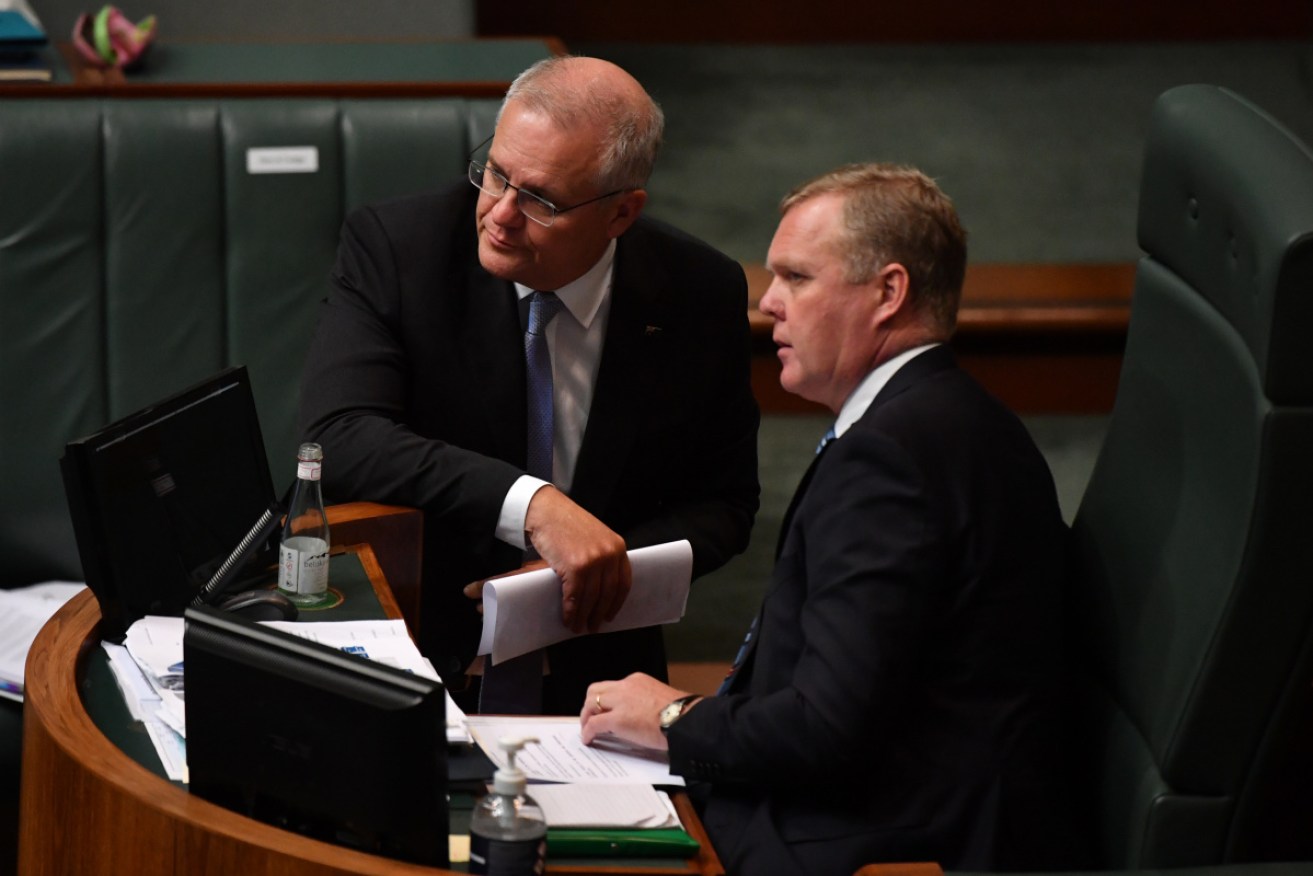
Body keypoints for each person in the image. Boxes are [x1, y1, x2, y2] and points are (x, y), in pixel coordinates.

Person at [580, 164, 1080, 873]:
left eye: (796, 278)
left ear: (888, 292)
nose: (767, 304)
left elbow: (825, 731)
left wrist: (672, 720)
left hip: (890, 839)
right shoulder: (957, 416)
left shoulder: (889, 461)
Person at [298, 56, 760, 716]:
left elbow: (725, 503)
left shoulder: (696, 292)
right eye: (496, 174)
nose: (500, 214)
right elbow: (337, 438)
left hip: (599, 681)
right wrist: (536, 507)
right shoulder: (401, 249)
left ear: (621, 213)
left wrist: (600, 567)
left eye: (540, 199)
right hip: (415, 657)